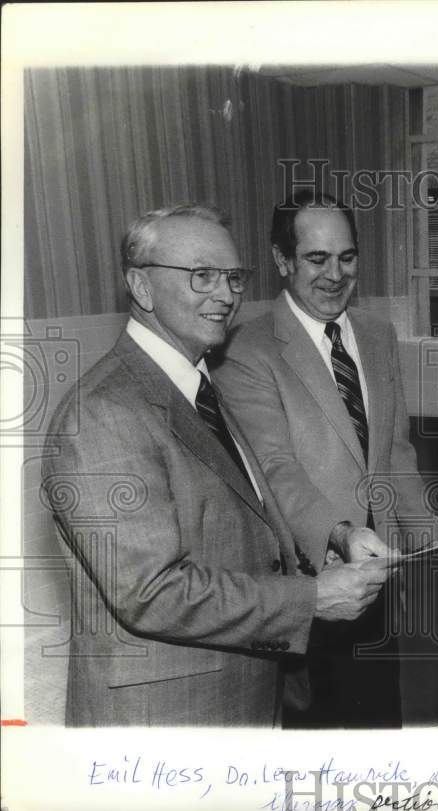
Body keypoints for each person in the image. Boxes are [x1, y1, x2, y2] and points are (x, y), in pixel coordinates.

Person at [41, 204, 391, 727]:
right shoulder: (102, 412)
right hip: (165, 721)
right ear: (140, 286)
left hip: (235, 695)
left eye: (233, 277)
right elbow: (150, 592)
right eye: (202, 275)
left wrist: (334, 541)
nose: (226, 295)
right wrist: (310, 598)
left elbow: (247, 524)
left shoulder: (198, 386)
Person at [213, 191, 433, 727]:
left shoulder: (377, 334)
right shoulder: (244, 350)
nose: (335, 275)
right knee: (320, 744)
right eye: (317, 259)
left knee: (380, 731)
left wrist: (430, 537)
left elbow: (395, 449)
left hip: (383, 578)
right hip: (313, 580)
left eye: (347, 257)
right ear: (282, 260)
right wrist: (338, 534)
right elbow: (274, 469)